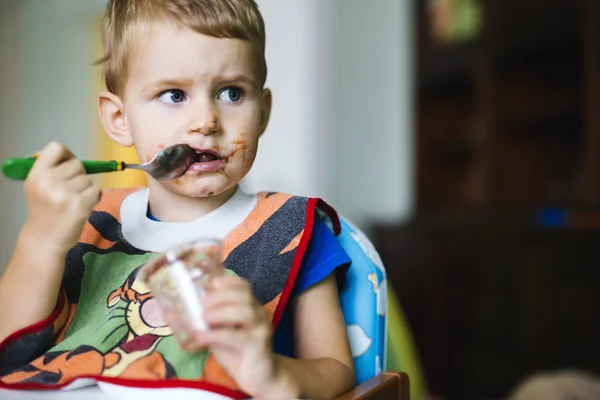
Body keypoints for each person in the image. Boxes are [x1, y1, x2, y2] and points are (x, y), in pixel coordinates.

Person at [0, 1, 355, 398]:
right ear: (120, 119)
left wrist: (272, 375)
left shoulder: (290, 229)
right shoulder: (91, 222)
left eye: (231, 93)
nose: (205, 120)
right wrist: (40, 241)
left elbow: (337, 372)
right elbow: (10, 354)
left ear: (263, 112)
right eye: (173, 94)